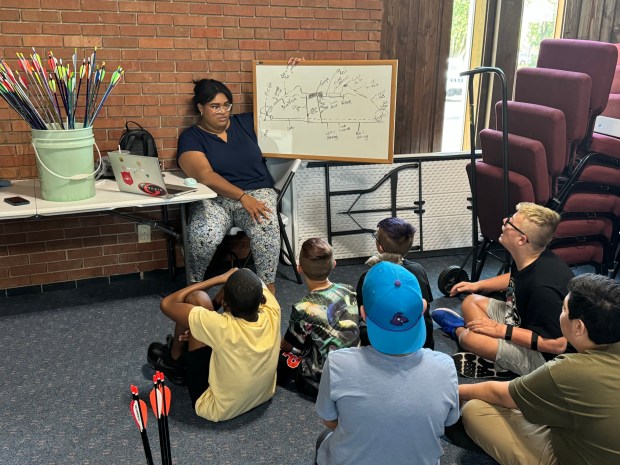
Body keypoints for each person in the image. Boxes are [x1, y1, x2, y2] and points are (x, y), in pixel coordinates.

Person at [459, 273, 620, 465]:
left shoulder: (569, 370)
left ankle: (456, 330)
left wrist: (450, 390)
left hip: (573, 456)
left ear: (579, 327)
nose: (559, 313)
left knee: (474, 410)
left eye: (563, 309)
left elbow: (501, 395)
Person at [177, 57, 303, 294]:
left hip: (258, 192)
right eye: (215, 106)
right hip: (215, 198)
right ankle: (193, 286)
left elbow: (285, 107)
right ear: (201, 108)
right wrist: (242, 197)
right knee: (204, 233)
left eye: (227, 105)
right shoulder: (191, 137)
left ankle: (269, 289)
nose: (223, 111)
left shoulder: (246, 123)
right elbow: (205, 175)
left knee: (266, 226)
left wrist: (296, 74)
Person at [315, 261, 459, 465]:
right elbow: (449, 421)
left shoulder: (338, 363)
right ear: (423, 307)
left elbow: (330, 421)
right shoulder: (445, 366)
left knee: (324, 439)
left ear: (363, 313)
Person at [432, 202, 575, 378]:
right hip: (524, 323)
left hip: (547, 358)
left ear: (521, 239)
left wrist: (500, 330)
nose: (504, 220)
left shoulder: (543, 289)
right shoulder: (533, 255)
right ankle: (497, 356)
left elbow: (557, 344)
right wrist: (477, 285)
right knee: (471, 301)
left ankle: (458, 331)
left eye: (511, 222)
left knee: (470, 338)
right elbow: (516, 277)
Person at [147, 268, 281, 422]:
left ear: (225, 302)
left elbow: (167, 303)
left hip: (215, 408)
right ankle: (194, 339)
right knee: (235, 285)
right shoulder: (273, 309)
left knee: (196, 297)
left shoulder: (222, 327)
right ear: (261, 299)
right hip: (262, 395)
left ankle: (173, 361)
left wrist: (219, 278)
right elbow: (246, 275)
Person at [278, 238, 359, 399]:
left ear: (299, 268)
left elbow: (287, 346)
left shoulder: (304, 308)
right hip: (354, 371)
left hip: (321, 381)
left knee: (276, 354)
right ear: (334, 264)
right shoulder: (348, 290)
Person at [356, 217, 434, 349]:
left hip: (383, 341)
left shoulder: (368, 277)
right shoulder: (418, 270)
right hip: (421, 339)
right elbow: (427, 303)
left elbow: (362, 312)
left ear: (380, 247)